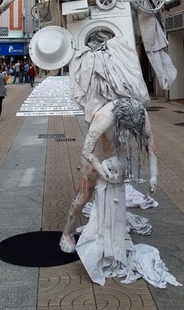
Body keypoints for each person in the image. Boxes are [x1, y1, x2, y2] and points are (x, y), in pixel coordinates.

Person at [59, 96, 157, 254]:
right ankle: (67, 232)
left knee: (117, 197)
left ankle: (113, 233)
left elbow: (150, 145)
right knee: (83, 196)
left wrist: (153, 176)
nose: (128, 134)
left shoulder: (141, 115)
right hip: (95, 156)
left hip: (118, 156)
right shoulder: (104, 117)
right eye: (125, 129)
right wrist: (103, 172)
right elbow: (86, 151)